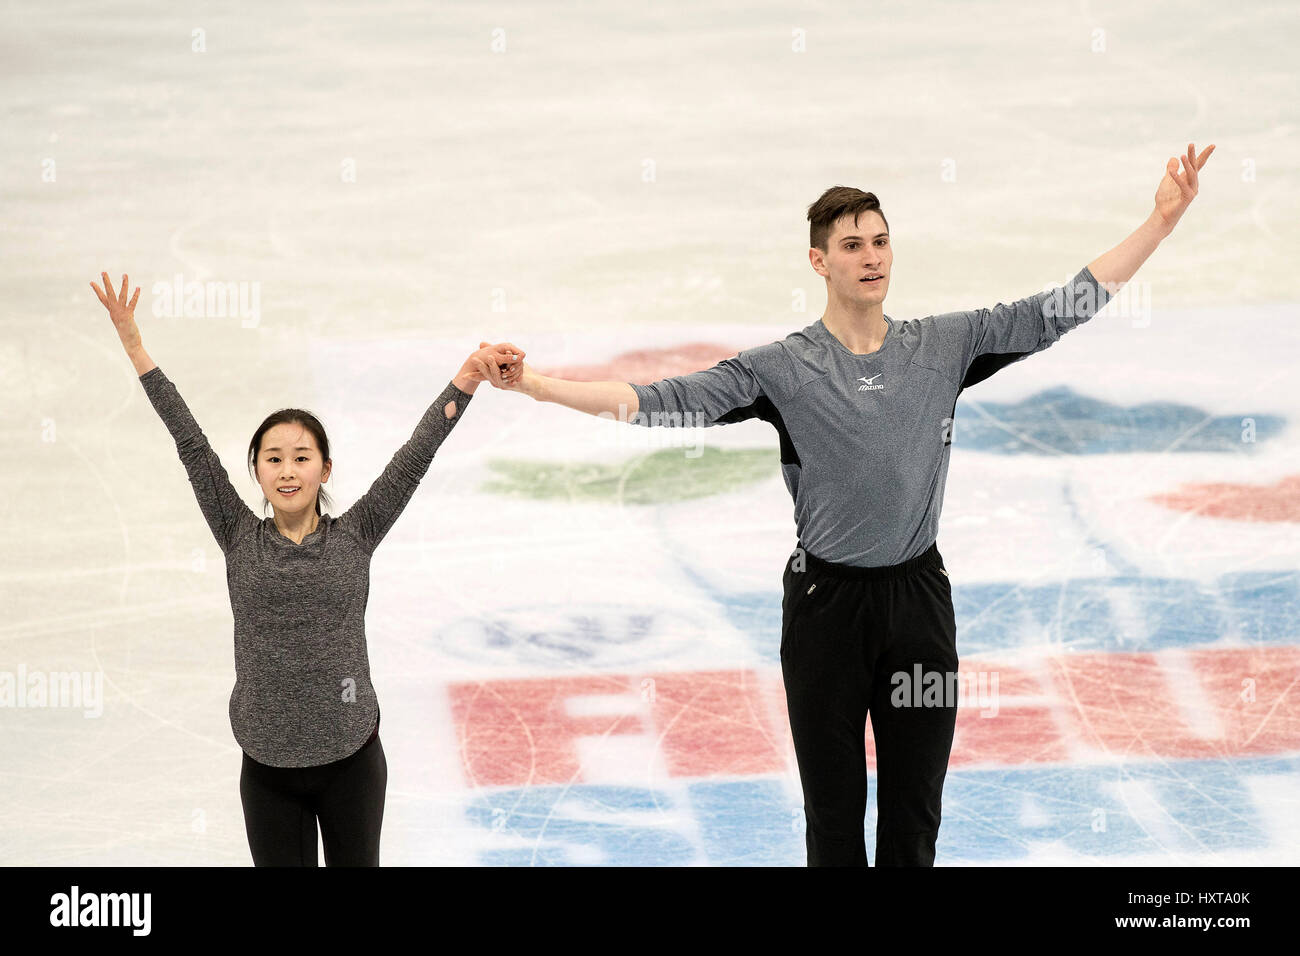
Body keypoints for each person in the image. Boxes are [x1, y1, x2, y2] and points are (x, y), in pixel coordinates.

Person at [483, 143, 1215, 865]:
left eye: (882, 241)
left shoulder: (946, 345)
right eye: (853, 244)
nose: (873, 257)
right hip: (825, 614)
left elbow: (1058, 311)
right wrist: (537, 384)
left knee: (913, 817)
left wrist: (1159, 224)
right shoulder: (781, 369)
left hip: (917, 609)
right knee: (833, 823)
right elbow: (658, 402)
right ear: (819, 261)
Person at [90, 270, 522, 865]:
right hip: (267, 770)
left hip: (351, 763)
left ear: (323, 469)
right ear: (258, 473)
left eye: (301, 457)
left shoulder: (358, 532)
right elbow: (190, 442)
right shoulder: (238, 534)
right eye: (274, 458)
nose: (288, 469)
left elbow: (415, 456)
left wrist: (466, 380)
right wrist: (137, 351)